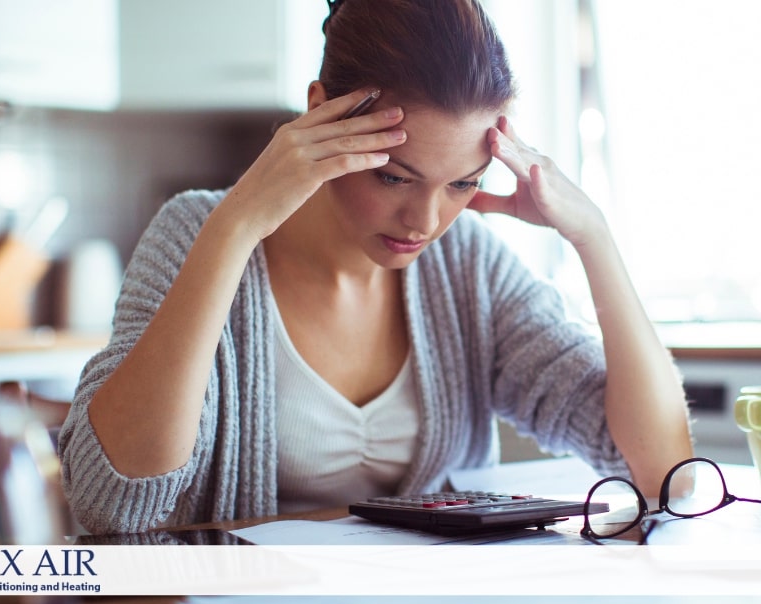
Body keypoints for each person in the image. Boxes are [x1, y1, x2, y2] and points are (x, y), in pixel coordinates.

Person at [58, 0, 693, 534]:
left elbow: (662, 470)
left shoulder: (467, 266)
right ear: (319, 113)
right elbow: (112, 505)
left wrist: (594, 238)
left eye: (462, 185)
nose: (423, 222)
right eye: (393, 176)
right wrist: (238, 225)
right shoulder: (198, 231)